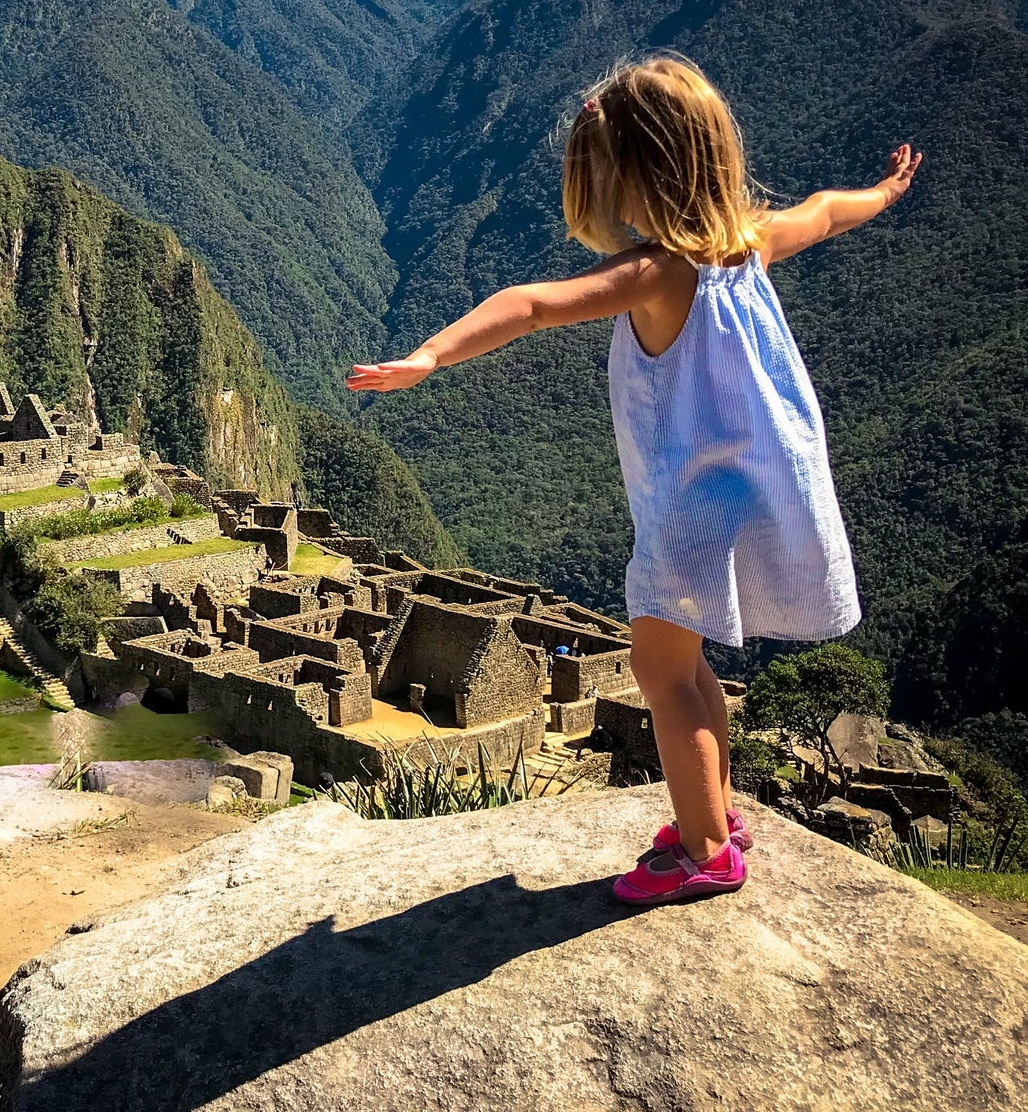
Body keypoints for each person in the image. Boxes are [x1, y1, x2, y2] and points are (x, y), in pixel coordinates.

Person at [349, 54, 920, 907]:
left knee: (660, 673)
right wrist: (882, 194)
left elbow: (532, 301)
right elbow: (824, 213)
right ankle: (716, 816)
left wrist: (430, 355)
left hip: (695, 504)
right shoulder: (750, 243)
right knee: (691, 673)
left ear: (637, 179)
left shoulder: (662, 272)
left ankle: (706, 853)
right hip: (757, 481)